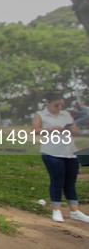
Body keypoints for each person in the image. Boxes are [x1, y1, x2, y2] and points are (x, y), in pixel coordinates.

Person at [32, 92, 89, 223]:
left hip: (69, 151)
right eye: (56, 104)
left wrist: (72, 129)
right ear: (48, 103)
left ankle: (75, 211)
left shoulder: (66, 115)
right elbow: (35, 130)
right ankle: (56, 209)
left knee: (70, 182)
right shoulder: (40, 114)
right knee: (57, 181)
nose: (59, 107)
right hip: (52, 152)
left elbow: (75, 130)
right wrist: (53, 129)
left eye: (61, 105)